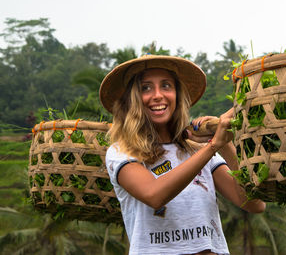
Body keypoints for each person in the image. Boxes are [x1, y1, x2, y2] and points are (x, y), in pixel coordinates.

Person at [99, 55, 266, 255]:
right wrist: (212, 146)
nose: (158, 95)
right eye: (146, 88)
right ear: (132, 99)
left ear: (177, 95)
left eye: (166, 86)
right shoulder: (121, 152)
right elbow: (154, 195)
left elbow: (254, 204)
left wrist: (225, 143)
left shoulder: (195, 149)